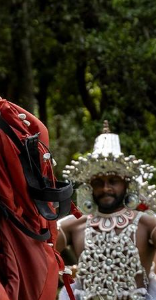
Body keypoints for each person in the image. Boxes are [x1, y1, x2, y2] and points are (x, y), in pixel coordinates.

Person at [57, 121, 156, 300]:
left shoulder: (147, 224)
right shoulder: (72, 225)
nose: (105, 188)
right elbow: (39, 253)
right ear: (89, 187)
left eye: (113, 181)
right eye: (98, 182)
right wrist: (63, 272)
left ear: (126, 184)